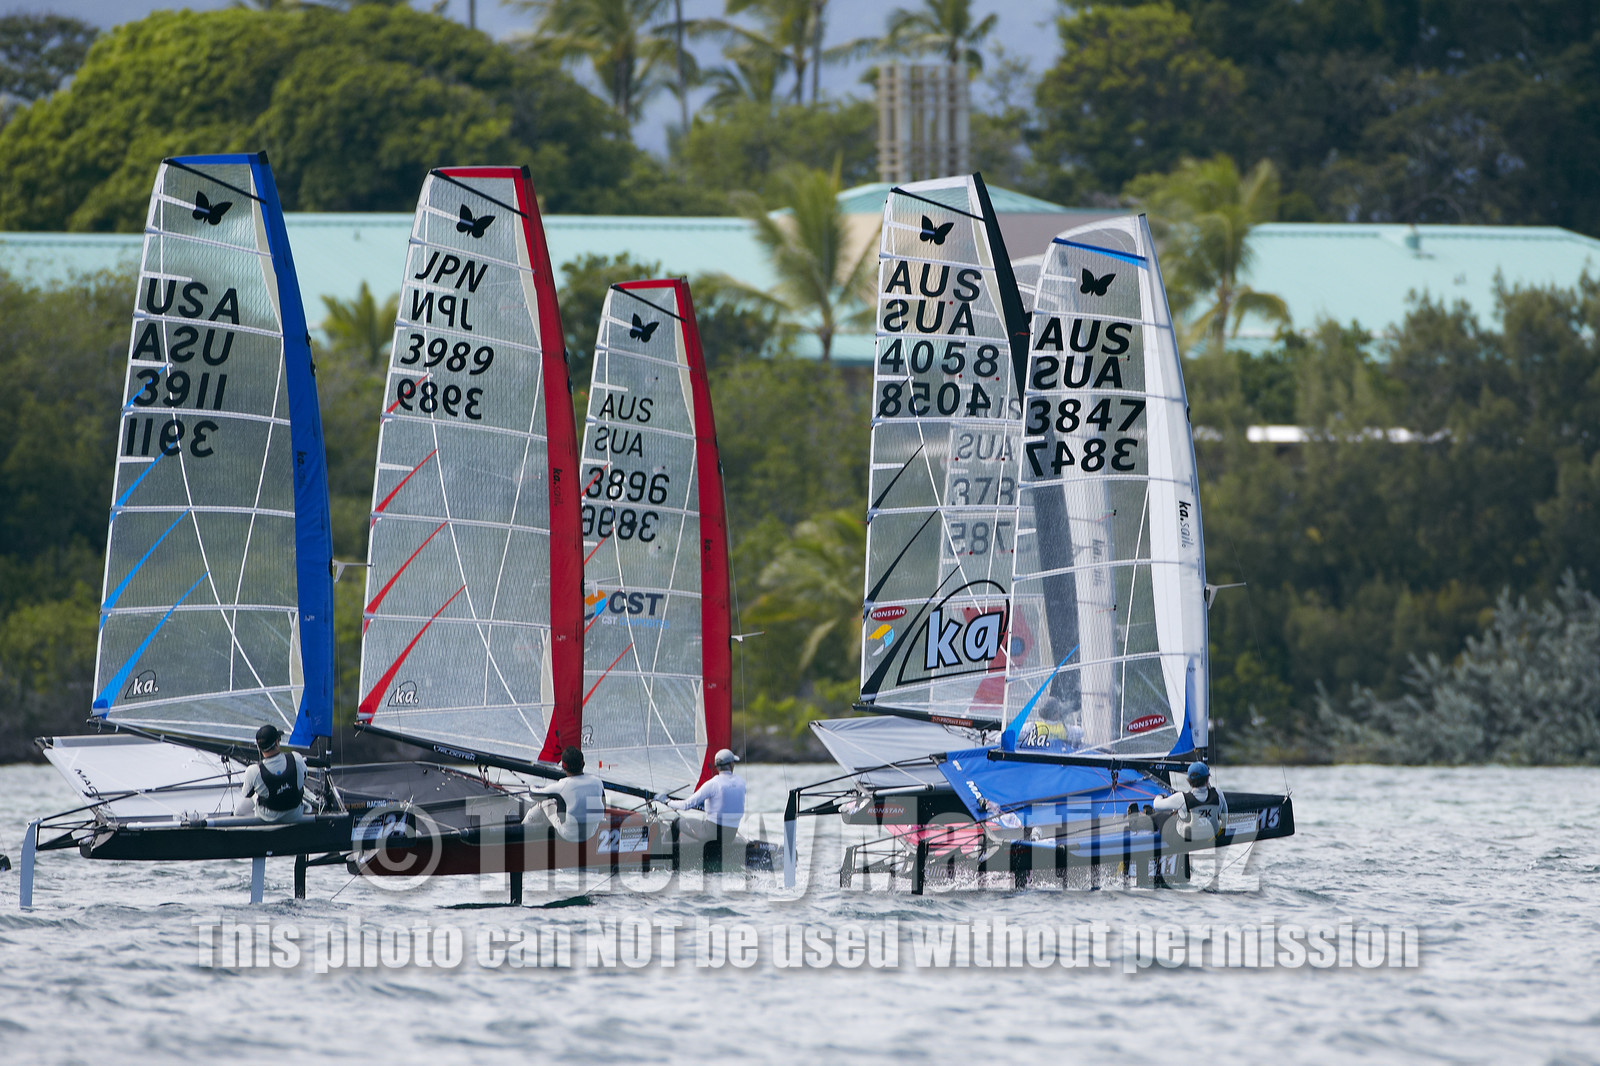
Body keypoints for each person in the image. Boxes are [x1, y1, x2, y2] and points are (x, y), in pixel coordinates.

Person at [657, 748, 746, 862]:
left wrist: (666, 801)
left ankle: (663, 854)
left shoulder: (713, 784)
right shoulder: (741, 782)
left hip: (711, 834)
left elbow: (685, 805)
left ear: (717, 767)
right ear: (731, 765)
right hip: (730, 836)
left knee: (676, 823)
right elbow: (729, 801)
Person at [521, 746, 606, 843]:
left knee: (544, 802)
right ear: (583, 764)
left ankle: (522, 829)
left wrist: (532, 786)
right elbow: (603, 805)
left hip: (567, 835)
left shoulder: (563, 785)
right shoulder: (597, 782)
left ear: (563, 767)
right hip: (590, 833)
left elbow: (534, 794)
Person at [233, 724, 310, 822]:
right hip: (295, 815)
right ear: (277, 742)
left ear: (258, 747)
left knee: (242, 808)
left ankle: (235, 819)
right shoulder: (296, 758)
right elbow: (304, 776)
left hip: (269, 818)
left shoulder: (253, 770)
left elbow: (246, 794)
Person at [1152, 761, 1225, 842]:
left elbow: (1156, 805)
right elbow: (1225, 814)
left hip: (1185, 842)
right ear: (1207, 778)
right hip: (1210, 839)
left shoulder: (1181, 798)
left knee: (1159, 816)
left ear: (1189, 780)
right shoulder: (1218, 793)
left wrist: (1160, 796)